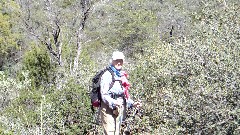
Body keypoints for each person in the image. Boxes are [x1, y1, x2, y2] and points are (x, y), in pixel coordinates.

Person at [100, 51, 142, 135]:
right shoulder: (107, 75)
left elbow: (123, 94)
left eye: (121, 60)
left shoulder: (122, 75)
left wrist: (133, 103)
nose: (119, 62)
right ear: (112, 61)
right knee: (110, 132)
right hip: (108, 107)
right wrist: (114, 102)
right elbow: (103, 95)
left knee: (117, 132)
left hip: (119, 107)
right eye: (116, 60)